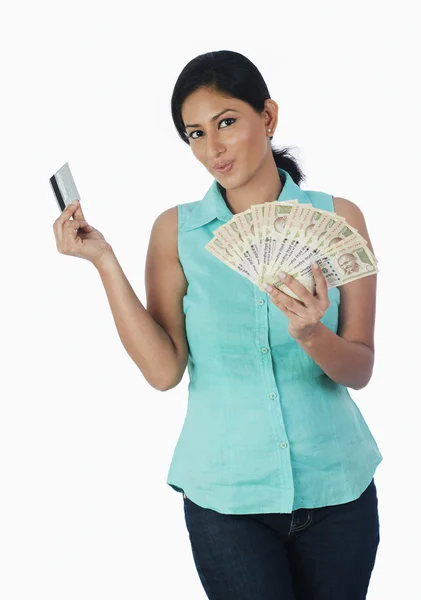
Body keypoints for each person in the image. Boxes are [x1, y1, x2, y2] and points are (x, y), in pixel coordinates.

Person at [52, 50, 382, 600]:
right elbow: (163, 372)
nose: (213, 148)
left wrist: (311, 335)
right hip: (226, 502)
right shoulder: (176, 232)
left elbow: (361, 367)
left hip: (339, 491)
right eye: (195, 133)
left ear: (268, 117)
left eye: (227, 122)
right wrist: (105, 261)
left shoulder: (339, 218)